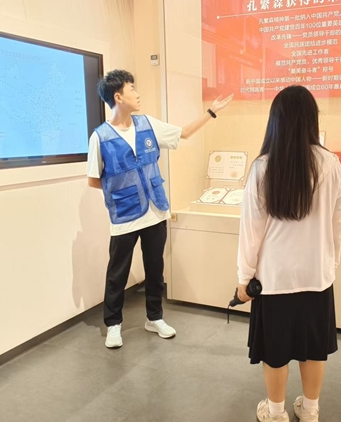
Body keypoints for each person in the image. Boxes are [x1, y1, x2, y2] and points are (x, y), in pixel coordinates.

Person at [87, 69, 233, 348]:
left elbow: (184, 133)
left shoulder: (147, 124)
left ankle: (154, 318)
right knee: (117, 272)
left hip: (155, 210)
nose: (137, 93)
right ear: (118, 97)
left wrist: (211, 112)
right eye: (131, 88)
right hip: (125, 215)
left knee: (155, 268)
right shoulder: (100, 137)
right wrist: (124, 190)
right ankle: (114, 324)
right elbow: (94, 179)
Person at [236, 85, 341, 422]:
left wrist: (244, 278)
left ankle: (277, 416)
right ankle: (310, 413)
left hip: (274, 278)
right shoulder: (330, 164)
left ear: (276, 122)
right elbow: (338, 222)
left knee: (275, 351)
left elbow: (251, 231)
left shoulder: (262, 167)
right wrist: (331, 263)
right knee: (314, 349)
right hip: (317, 275)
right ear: (312, 120)